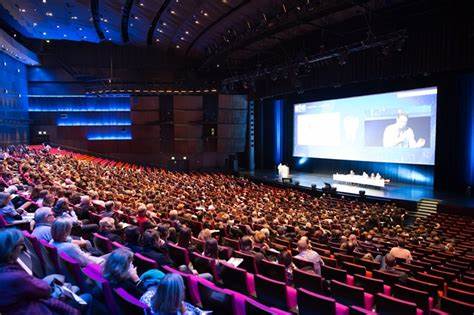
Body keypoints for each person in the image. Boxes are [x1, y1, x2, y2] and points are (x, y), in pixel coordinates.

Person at [0, 228, 79, 314]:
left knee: (58, 281)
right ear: (11, 250)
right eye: (21, 246)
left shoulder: (7, 270)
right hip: (39, 309)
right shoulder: (15, 277)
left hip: (24, 305)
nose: (21, 249)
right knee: (85, 295)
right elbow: (45, 290)